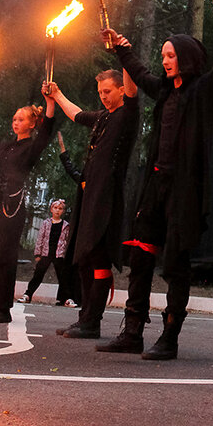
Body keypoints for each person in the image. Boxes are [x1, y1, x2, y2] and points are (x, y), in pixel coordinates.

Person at [97, 4, 213, 360]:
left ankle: (169, 338)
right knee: (141, 256)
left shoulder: (202, 89)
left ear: (186, 57)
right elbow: (140, 73)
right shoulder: (163, 90)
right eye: (163, 55)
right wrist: (120, 47)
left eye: (171, 55)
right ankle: (132, 332)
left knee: (175, 263)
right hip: (155, 184)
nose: (165, 60)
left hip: (184, 190)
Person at [46, 67, 140, 341]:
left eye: (108, 91)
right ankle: (85, 319)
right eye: (100, 93)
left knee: (98, 258)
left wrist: (124, 52)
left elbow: (135, 90)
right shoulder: (102, 117)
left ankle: (92, 321)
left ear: (122, 89)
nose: (103, 97)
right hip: (89, 196)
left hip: (106, 199)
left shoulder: (128, 115)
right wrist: (58, 94)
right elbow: (76, 114)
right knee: (84, 257)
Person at [0, 95, 56, 324]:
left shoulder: (31, 147)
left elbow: (47, 131)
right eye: (14, 119)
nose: (15, 122)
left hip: (12, 203)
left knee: (5, 256)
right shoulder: (5, 146)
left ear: (32, 124)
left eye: (21, 119)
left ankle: (2, 309)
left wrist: (50, 102)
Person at [19, 199, 74, 304]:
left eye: (60, 209)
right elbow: (40, 238)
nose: (57, 211)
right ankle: (28, 294)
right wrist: (37, 253)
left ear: (63, 211)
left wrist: (65, 254)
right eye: (55, 208)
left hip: (59, 254)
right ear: (51, 209)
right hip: (46, 253)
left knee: (63, 277)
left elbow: (67, 241)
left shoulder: (65, 225)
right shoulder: (46, 223)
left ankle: (66, 298)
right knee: (38, 274)